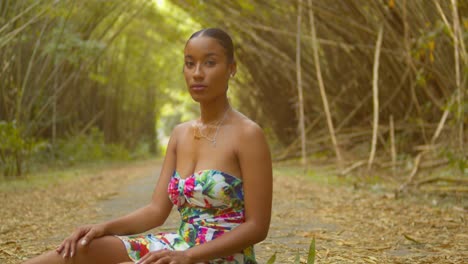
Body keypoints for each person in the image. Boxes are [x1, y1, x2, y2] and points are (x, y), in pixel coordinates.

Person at [24, 28, 272, 264]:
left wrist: (190, 257)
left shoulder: (248, 135)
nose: (197, 73)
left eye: (209, 62)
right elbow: (156, 210)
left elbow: (257, 227)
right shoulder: (180, 133)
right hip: (178, 246)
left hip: (218, 256)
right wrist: (103, 228)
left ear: (232, 69)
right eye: (189, 63)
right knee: (83, 248)